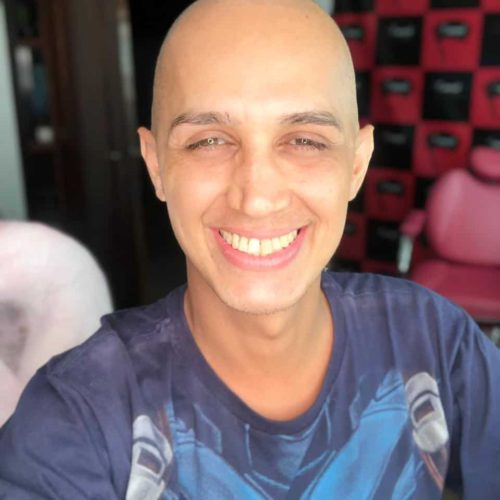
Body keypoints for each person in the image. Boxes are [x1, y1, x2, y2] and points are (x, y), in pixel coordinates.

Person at [0, 0, 499, 498]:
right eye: (209, 141)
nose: (257, 198)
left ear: (356, 164)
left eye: (305, 140)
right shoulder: (75, 420)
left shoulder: (435, 342)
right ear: (156, 166)